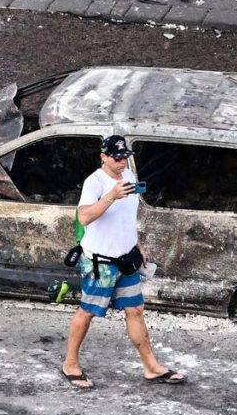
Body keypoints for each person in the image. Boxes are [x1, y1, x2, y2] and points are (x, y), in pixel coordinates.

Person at [61, 135, 186, 388]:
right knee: (87, 311)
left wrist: (136, 243)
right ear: (103, 157)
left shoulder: (129, 176)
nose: (122, 162)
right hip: (101, 263)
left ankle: (151, 367)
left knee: (135, 310)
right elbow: (83, 217)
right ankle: (70, 364)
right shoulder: (95, 182)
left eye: (125, 157)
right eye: (116, 157)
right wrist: (111, 196)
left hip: (126, 259)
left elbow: (127, 216)